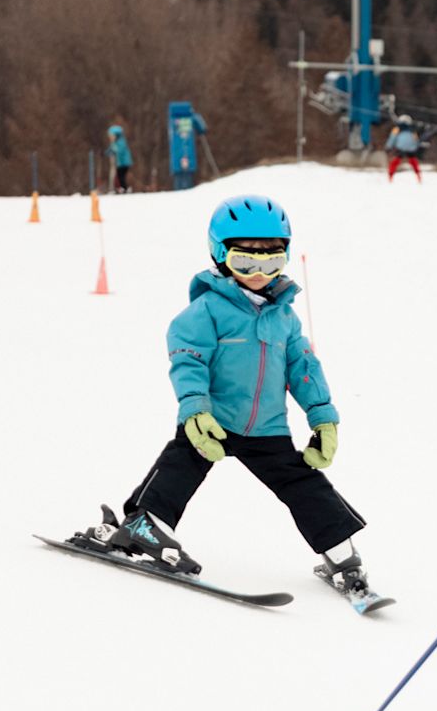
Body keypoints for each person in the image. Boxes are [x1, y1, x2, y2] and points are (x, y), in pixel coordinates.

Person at [75, 195, 372, 595]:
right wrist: (195, 409)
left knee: (305, 484)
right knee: (181, 464)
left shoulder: (284, 316)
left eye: (272, 261)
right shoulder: (208, 310)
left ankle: (341, 554)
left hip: (268, 427)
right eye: (245, 261)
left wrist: (322, 416)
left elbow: (304, 369)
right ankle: (146, 524)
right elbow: (188, 359)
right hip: (213, 422)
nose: (259, 272)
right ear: (220, 255)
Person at [385, 114, 423, 183]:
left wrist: (388, 147)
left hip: (400, 148)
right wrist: (416, 147)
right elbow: (416, 140)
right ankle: (418, 176)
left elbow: (392, 138)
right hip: (411, 148)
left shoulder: (396, 129)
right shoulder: (413, 130)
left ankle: (390, 177)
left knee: (395, 161)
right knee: (414, 161)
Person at [105, 122, 133, 193]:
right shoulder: (115, 142)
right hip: (120, 163)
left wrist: (113, 148)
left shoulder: (121, 141)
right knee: (119, 176)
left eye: (112, 136)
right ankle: (121, 188)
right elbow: (111, 149)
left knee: (121, 176)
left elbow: (118, 150)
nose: (110, 138)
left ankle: (124, 188)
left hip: (124, 163)